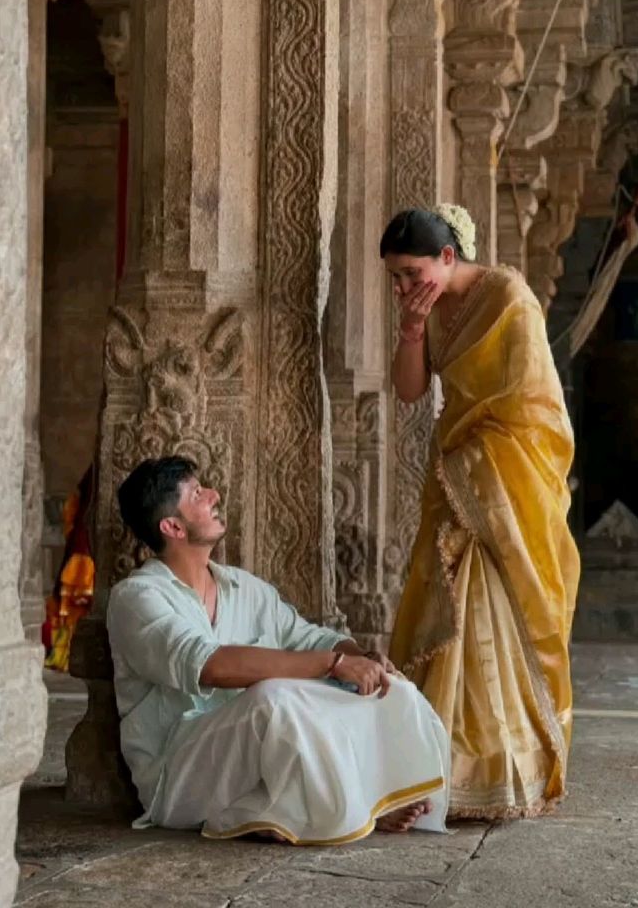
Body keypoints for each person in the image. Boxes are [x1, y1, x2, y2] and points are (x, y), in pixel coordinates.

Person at [107, 456, 449, 844]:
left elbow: (308, 638)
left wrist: (360, 657)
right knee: (273, 699)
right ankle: (355, 802)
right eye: (198, 494)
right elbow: (210, 666)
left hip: (257, 756)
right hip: (180, 776)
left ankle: (364, 796)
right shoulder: (137, 597)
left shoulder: (243, 587)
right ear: (172, 526)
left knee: (387, 686)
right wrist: (333, 664)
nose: (215, 495)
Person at [382, 205, 579, 819]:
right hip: (455, 478)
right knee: (444, 615)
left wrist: (479, 464)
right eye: (395, 279)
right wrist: (411, 333)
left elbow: (534, 407)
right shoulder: (429, 310)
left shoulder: (510, 300)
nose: (405, 289)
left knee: (497, 613)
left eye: (413, 274)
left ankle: (503, 768)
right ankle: (433, 769)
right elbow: (411, 391)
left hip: (504, 484)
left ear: (448, 257)